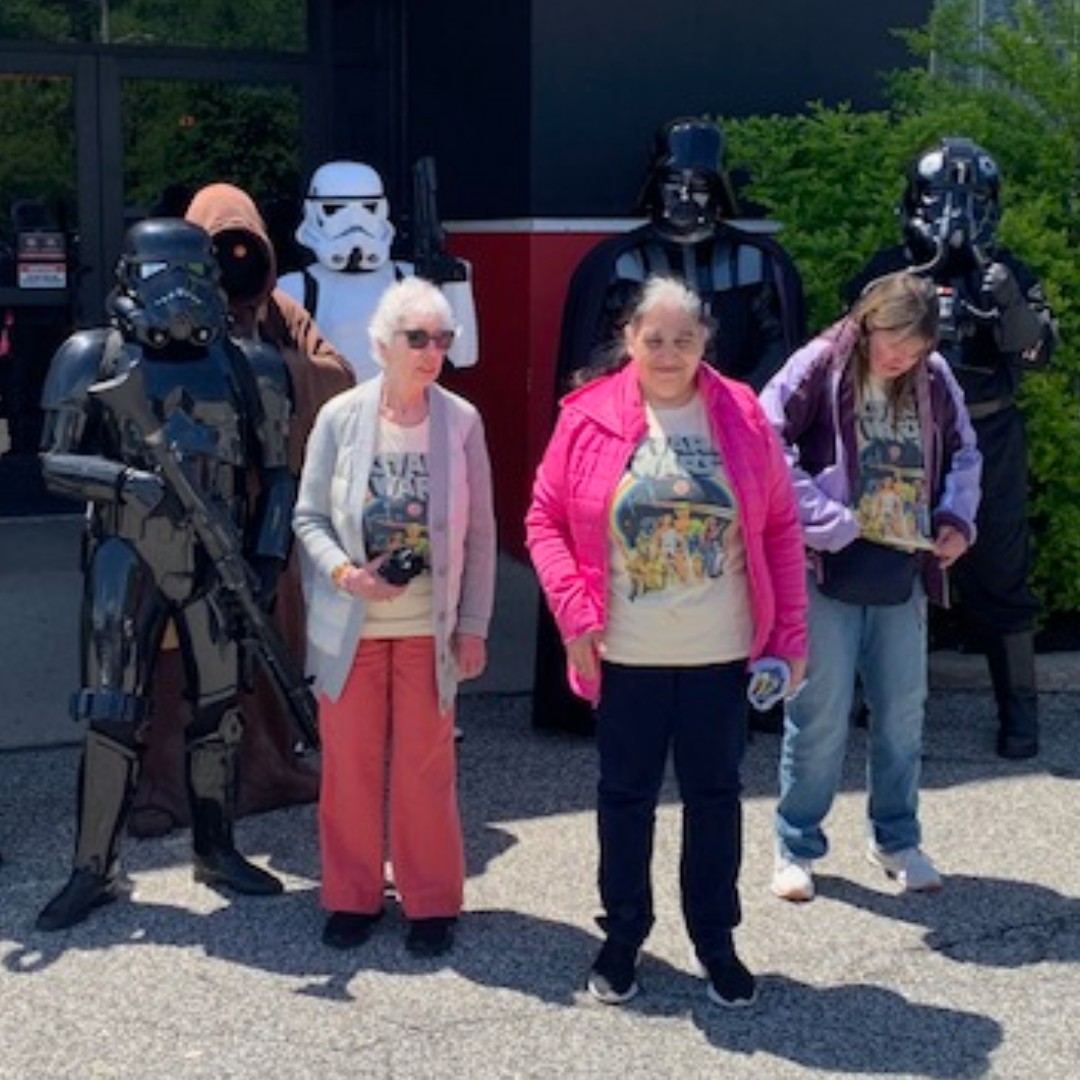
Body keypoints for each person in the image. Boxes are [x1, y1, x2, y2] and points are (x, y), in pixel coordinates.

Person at [525, 275, 808, 1007]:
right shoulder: (587, 417)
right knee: (625, 799)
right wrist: (574, 616)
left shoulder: (742, 415)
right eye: (655, 339)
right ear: (629, 340)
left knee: (715, 799)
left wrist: (791, 637)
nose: (669, 352)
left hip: (720, 655)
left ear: (706, 341)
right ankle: (623, 936)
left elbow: (779, 528)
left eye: (685, 339)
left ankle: (716, 941)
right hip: (628, 655)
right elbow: (544, 522)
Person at [35, 218, 300, 930]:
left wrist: (268, 561)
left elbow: (277, 479)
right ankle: (93, 866)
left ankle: (216, 848)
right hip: (127, 550)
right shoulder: (90, 356)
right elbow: (52, 464)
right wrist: (125, 480)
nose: (178, 294)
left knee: (219, 708)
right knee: (110, 712)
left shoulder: (252, 366)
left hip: (220, 561)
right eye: (162, 274)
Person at [534, 116, 806, 735]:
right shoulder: (619, 261)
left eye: (700, 183)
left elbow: (777, 349)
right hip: (637, 428)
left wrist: (737, 409)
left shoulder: (757, 262)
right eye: (675, 183)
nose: (687, 198)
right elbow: (595, 357)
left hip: (732, 431)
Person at [127, 182, 354, 839]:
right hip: (179, 503)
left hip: (262, 500)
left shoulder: (281, 311)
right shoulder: (165, 302)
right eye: (217, 251)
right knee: (172, 655)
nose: (233, 266)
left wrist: (264, 367)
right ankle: (163, 786)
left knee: (268, 633)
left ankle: (265, 768)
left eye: (244, 249)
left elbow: (335, 379)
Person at [760, 271, 981, 904]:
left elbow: (966, 453)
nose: (900, 358)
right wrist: (822, 519)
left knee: (902, 713)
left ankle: (897, 836)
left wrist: (955, 520)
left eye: (914, 350)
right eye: (892, 342)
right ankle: (796, 843)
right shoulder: (819, 364)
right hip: (828, 568)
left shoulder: (935, 378)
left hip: (903, 570)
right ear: (865, 321)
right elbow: (765, 435)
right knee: (818, 715)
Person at [293, 276, 496, 957]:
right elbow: (309, 516)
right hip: (352, 625)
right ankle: (351, 896)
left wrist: (474, 625)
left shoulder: (462, 421)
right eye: (418, 338)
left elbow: (484, 536)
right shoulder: (340, 417)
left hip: (426, 629)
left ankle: (431, 902)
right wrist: (346, 575)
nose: (432, 351)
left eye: (443, 338)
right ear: (383, 345)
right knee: (349, 766)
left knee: (424, 770)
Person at [846, 137, 1055, 760]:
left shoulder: (1009, 270)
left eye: (969, 201)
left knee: (998, 569)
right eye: (940, 199)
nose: (953, 215)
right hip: (900, 437)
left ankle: (1019, 711)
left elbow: (1038, 352)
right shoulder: (888, 269)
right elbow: (850, 344)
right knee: (882, 558)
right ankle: (865, 694)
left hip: (988, 434)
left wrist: (1007, 300)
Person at [278, 160, 478, 382]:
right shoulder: (296, 287)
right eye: (335, 209)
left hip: (401, 412)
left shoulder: (411, 280)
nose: (355, 222)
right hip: (332, 413)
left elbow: (463, 356)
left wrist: (456, 284)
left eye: (368, 208)